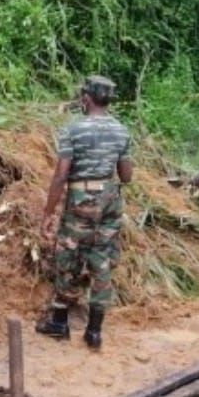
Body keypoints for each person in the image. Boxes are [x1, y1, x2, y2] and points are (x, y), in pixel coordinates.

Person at [37, 76, 133, 349]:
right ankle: (94, 331)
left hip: (80, 198)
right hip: (110, 200)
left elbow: (60, 175)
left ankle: (59, 322)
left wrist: (48, 213)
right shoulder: (121, 131)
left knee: (68, 255)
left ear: (86, 98)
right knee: (102, 260)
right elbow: (126, 176)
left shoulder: (73, 130)